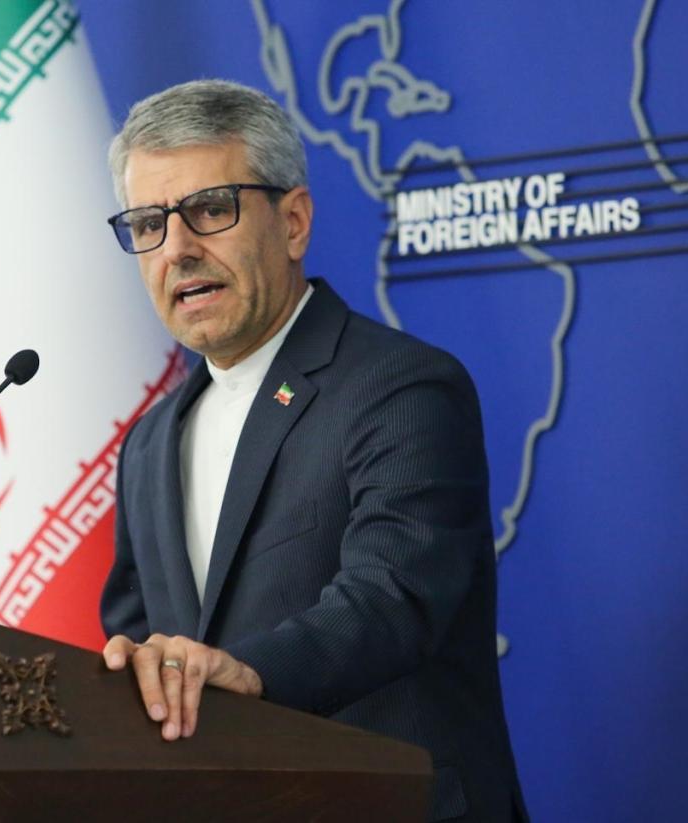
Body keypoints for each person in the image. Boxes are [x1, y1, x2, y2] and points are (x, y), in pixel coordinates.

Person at [98, 79, 526, 822]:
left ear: (293, 222)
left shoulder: (401, 386)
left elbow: (394, 596)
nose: (179, 249)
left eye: (210, 209)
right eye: (148, 223)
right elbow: (141, 640)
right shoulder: (148, 443)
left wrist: (247, 671)